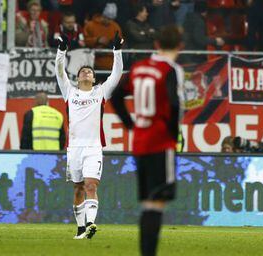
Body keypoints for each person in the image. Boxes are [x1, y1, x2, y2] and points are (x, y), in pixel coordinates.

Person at [110, 25, 184, 256]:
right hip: (160, 142)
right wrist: (173, 134)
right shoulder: (171, 70)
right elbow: (174, 104)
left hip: (140, 142)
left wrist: (130, 125)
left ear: (156, 45)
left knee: (148, 203)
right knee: (158, 202)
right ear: (180, 46)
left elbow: (116, 96)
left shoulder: (139, 67)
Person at [55, 32, 123, 239]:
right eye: (83, 71)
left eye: (89, 72)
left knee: (91, 185)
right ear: (77, 78)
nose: (86, 73)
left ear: (94, 78)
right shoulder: (69, 92)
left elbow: (116, 74)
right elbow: (59, 71)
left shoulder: (100, 92)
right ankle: (80, 228)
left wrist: (117, 51)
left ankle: (91, 223)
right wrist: (61, 51)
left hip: (93, 148)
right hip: (74, 148)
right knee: (77, 189)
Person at [84, 2, 123, 69]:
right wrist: (97, 40)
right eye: (106, 18)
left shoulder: (115, 26)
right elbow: (84, 41)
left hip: (110, 63)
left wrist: (111, 44)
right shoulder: (90, 25)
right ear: (102, 15)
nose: (108, 21)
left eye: (110, 19)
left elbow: (121, 42)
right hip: (93, 62)